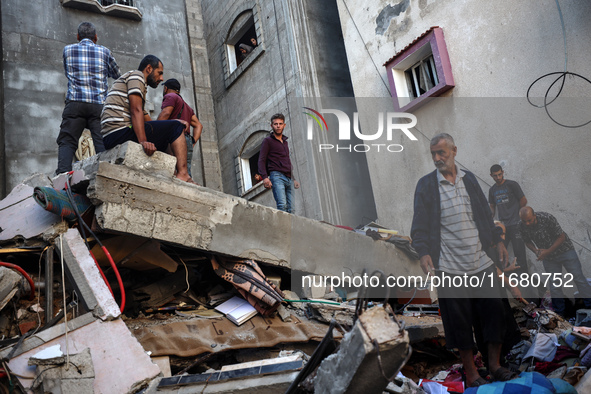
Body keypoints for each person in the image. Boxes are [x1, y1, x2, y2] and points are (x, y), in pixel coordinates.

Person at [411, 133, 516, 387]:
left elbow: (483, 214)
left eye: (441, 153)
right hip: (449, 267)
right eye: (433, 154)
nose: (437, 158)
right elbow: (419, 227)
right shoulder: (426, 185)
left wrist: (498, 240)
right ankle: (471, 373)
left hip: (480, 261)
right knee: (459, 323)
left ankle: (494, 365)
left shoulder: (469, 181)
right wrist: (424, 252)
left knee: (495, 313)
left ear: (454, 151)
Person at [100, 55, 194, 183]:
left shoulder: (137, 87)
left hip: (114, 135)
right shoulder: (137, 76)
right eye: (159, 73)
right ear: (149, 69)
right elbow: (136, 110)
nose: (161, 78)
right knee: (175, 128)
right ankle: (183, 175)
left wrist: (173, 122)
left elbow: (150, 123)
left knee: (170, 130)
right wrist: (143, 141)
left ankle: (172, 173)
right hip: (119, 132)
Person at [56, 22, 121, 174]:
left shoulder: (68, 50)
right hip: (98, 105)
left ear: (78, 37)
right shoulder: (105, 52)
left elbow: (68, 73)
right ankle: (106, 176)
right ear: (96, 38)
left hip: (75, 103)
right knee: (102, 143)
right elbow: (117, 75)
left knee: (67, 141)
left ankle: (63, 180)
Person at [519, 206, 591, 316]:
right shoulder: (521, 225)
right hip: (549, 259)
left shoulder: (547, 218)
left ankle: (590, 307)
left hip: (565, 251)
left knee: (578, 278)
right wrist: (536, 251)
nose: (527, 223)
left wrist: (547, 252)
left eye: (529, 220)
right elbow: (527, 241)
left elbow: (561, 237)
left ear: (534, 216)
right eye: (525, 221)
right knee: (554, 285)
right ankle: (560, 315)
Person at [157, 78, 203, 178]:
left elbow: (166, 113)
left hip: (175, 139)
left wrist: (156, 129)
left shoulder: (170, 96)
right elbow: (199, 125)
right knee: (185, 174)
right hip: (186, 140)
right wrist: (193, 141)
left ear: (165, 88)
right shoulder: (186, 106)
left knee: (171, 173)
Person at [489, 164, 528, 277]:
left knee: (520, 255)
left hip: (516, 224)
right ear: (491, 175)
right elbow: (492, 206)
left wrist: (518, 214)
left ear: (503, 172)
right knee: (499, 254)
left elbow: (523, 200)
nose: (498, 177)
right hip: (503, 228)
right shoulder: (492, 190)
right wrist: (490, 217)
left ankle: (525, 280)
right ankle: (508, 277)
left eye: (500, 174)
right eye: (495, 176)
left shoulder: (511, 184)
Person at [258, 114, 300, 213]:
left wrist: (293, 179)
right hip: (277, 176)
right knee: (282, 206)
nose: (278, 126)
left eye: (280, 124)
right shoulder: (267, 141)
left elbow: (287, 161)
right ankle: (282, 228)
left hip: (289, 178)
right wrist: (265, 177)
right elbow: (261, 160)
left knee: (292, 209)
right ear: (271, 126)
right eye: (275, 124)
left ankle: (290, 229)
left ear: (284, 125)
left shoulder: (285, 142)